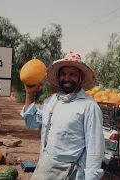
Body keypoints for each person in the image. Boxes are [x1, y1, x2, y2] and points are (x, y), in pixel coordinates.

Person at [20, 51, 105, 180]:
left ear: (80, 78)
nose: (67, 78)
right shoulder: (50, 101)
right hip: (45, 166)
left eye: (72, 75)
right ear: (59, 77)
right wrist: (29, 94)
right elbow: (31, 123)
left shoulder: (89, 106)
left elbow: (95, 148)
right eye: (63, 74)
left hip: (71, 172)